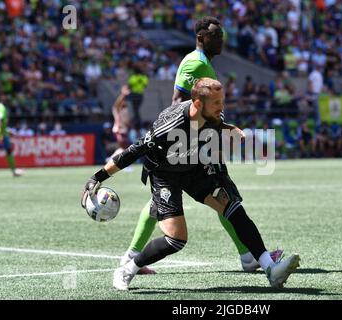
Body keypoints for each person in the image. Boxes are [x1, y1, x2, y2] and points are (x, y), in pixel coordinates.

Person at [80, 78, 300, 290]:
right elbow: (133, 151)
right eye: (216, 103)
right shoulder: (169, 125)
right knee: (176, 239)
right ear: (197, 103)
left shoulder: (213, 114)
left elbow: (217, 123)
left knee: (232, 207)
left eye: (222, 102)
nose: (221, 107)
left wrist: (228, 128)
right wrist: (97, 177)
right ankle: (127, 270)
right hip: (165, 174)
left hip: (194, 166)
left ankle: (270, 269)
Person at [121, 16, 282, 275]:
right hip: (192, 143)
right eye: (215, 35)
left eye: (221, 35)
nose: (221, 40)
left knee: (175, 200)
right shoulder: (195, 62)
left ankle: (132, 256)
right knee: (221, 196)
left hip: (197, 141)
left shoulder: (202, 63)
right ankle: (249, 256)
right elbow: (178, 101)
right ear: (200, 38)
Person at [0, 102, 23, 177]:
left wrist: (7, 131)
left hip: (2, 133)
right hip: (0, 134)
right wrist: (1, 134)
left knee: (9, 151)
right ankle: (14, 171)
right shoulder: (1, 107)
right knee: (9, 151)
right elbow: (0, 120)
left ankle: (14, 171)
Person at [110, 85, 132, 159]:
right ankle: (114, 159)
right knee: (123, 146)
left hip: (124, 129)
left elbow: (126, 120)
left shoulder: (125, 109)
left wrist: (129, 124)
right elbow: (116, 105)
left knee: (124, 147)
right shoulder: (116, 108)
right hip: (119, 129)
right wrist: (123, 94)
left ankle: (111, 158)